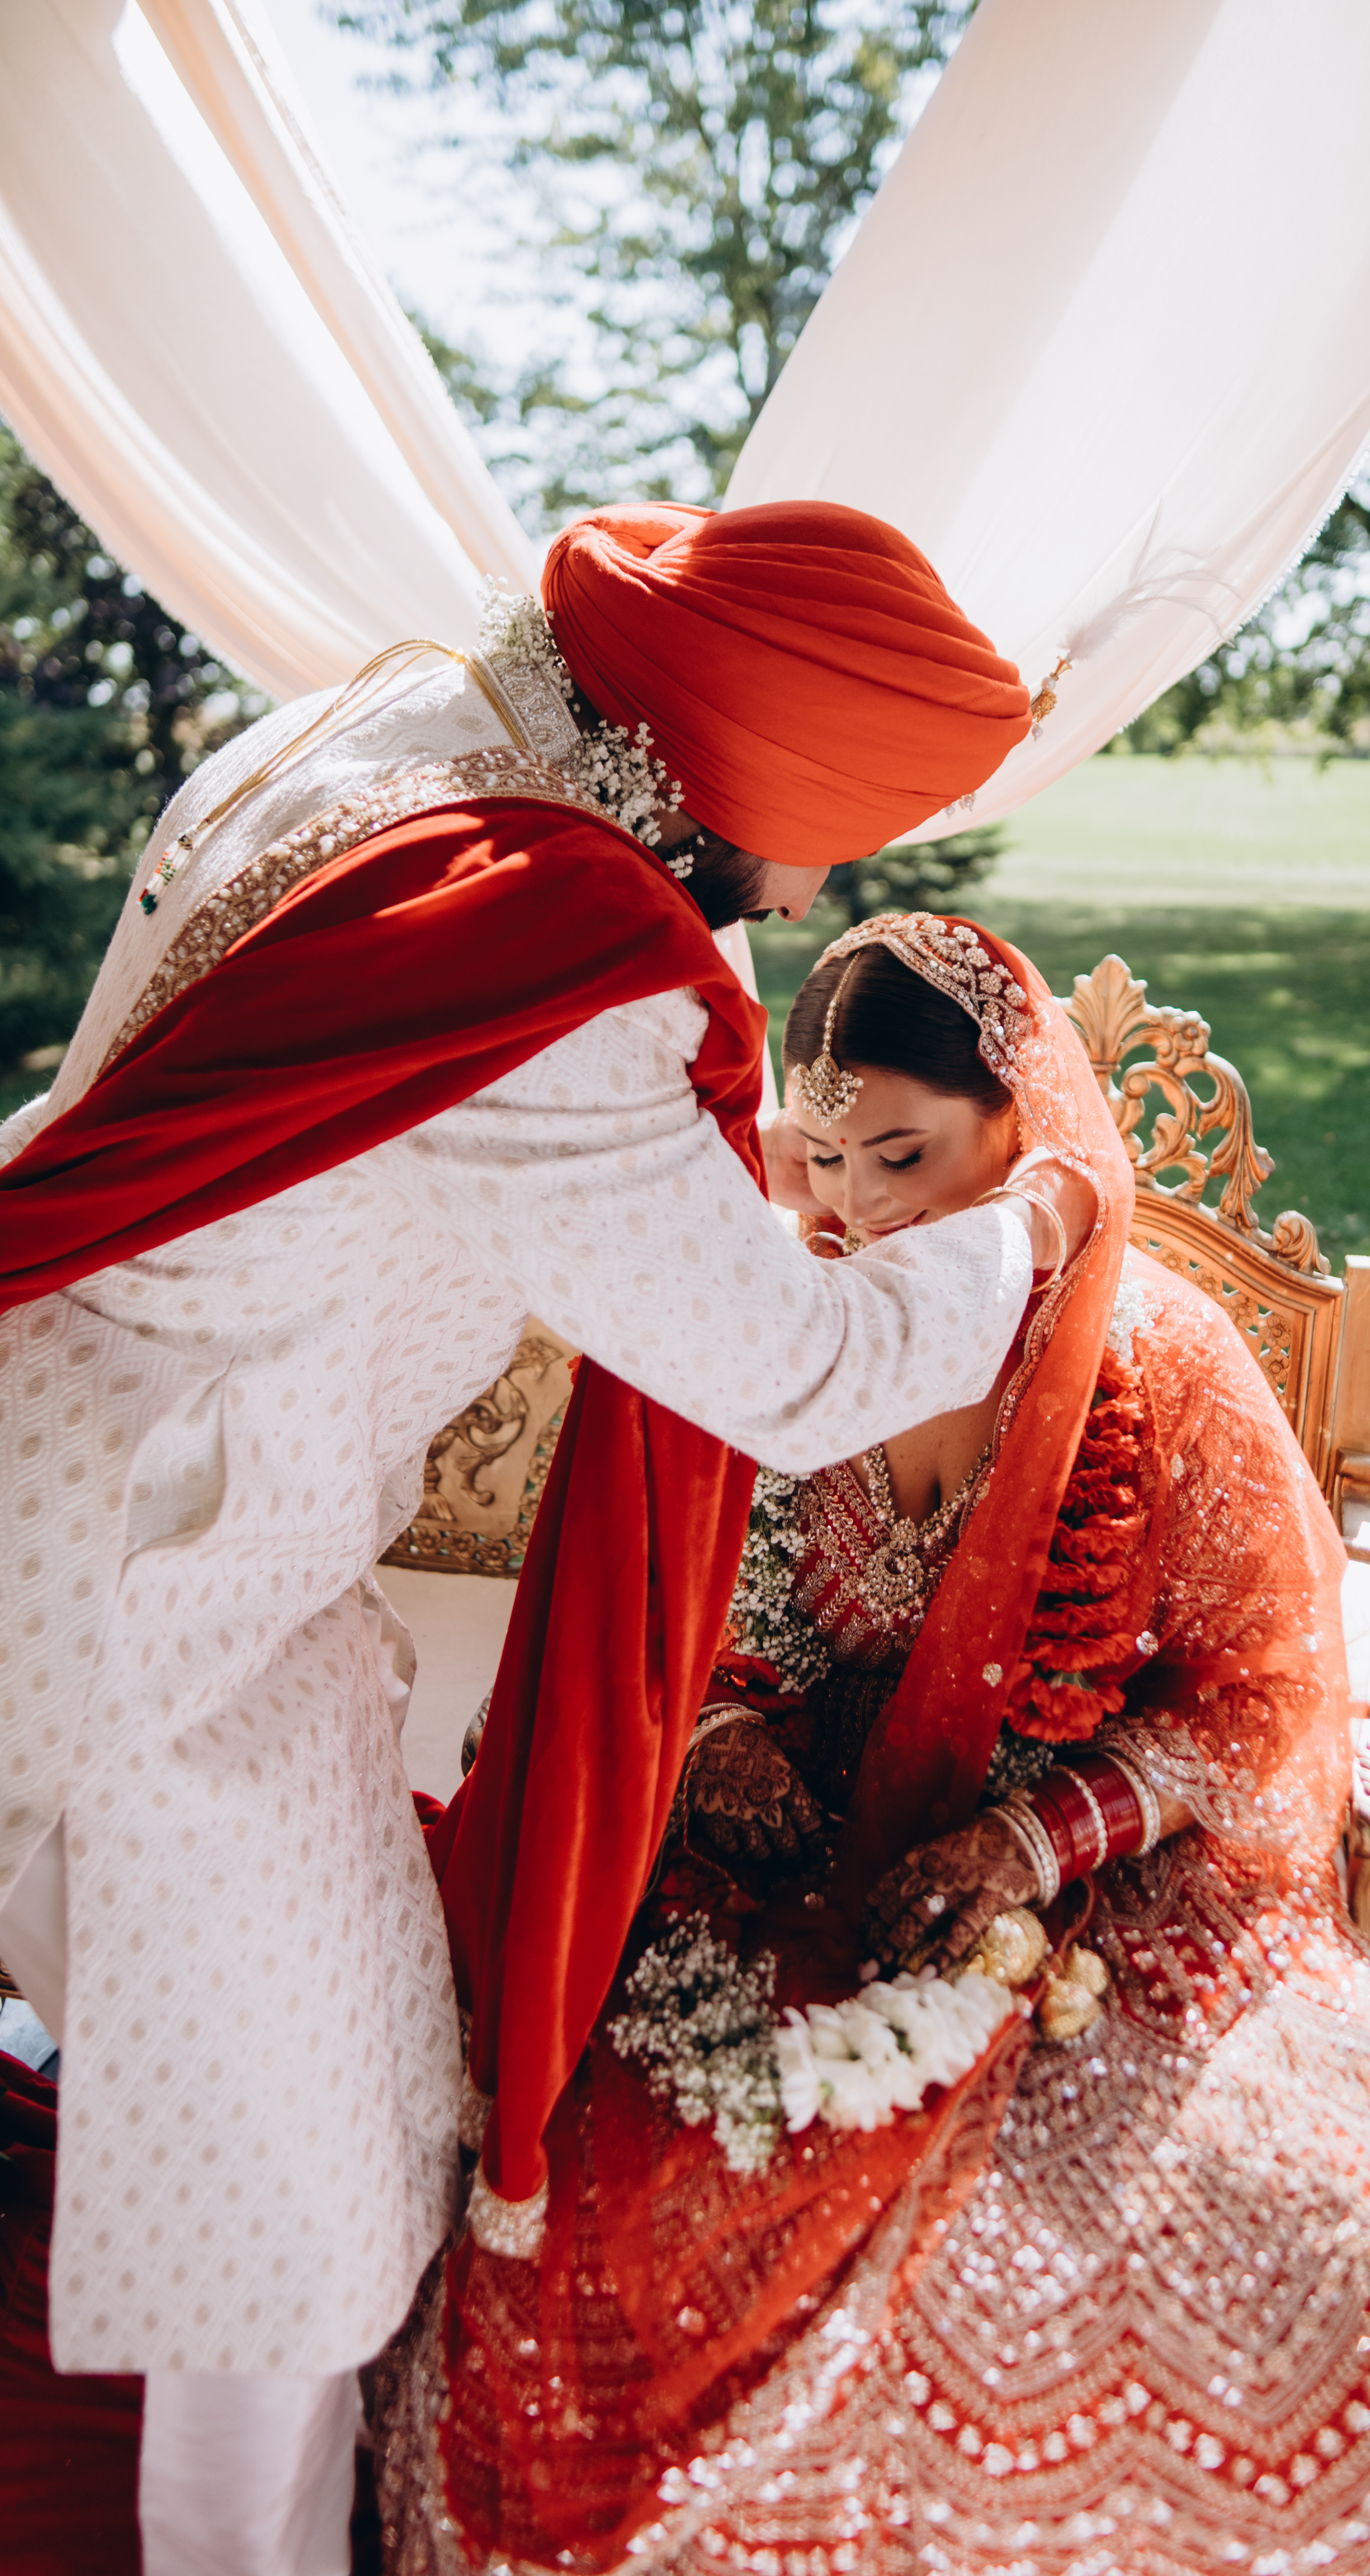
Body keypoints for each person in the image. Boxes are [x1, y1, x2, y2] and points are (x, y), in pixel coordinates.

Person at [0, 505, 1082, 2576]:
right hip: (134, 1585)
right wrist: (1037, 1222)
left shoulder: (394, 720)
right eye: (826, 838)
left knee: (343, 2093)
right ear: (733, 772)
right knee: (290, 2191)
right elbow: (795, 1368)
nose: (814, 897)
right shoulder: (547, 965)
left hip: (152, 1497)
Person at [377, 913, 1370, 2576]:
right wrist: (719, 1735)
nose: (861, 1214)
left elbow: (1258, 1700)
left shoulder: (1161, 1363)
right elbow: (665, 1608)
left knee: (1297, 2219)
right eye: (826, 1159)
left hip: (1098, 1873)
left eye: (907, 1156)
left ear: (1024, 1130)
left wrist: (1024, 1842)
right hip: (789, 1858)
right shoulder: (785, 1333)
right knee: (604, 2177)